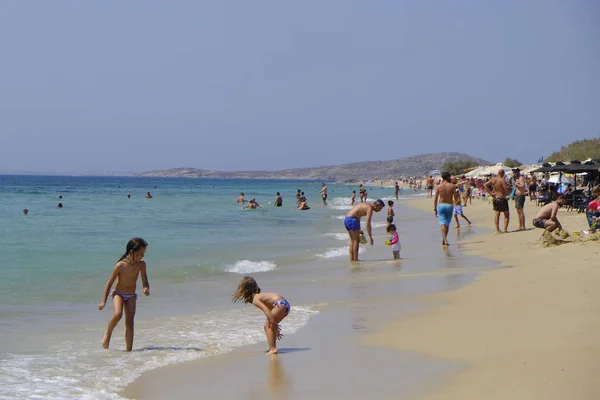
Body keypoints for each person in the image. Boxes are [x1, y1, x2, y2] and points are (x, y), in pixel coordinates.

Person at [99, 237, 150, 351]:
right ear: (132, 251)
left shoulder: (141, 265)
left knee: (130, 323)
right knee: (118, 314)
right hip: (119, 294)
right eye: (140, 253)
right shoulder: (120, 265)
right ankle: (108, 333)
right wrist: (104, 301)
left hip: (131, 295)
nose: (142, 256)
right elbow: (109, 283)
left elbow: (144, 280)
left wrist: (146, 288)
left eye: (143, 254)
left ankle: (128, 351)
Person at [232, 277, 289, 355]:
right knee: (270, 326)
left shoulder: (255, 298)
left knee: (267, 326)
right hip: (285, 304)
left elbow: (266, 310)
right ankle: (272, 347)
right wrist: (274, 324)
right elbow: (270, 308)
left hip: (279, 304)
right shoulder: (260, 296)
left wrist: (273, 322)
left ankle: (273, 348)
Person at [434, 172, 457, 246]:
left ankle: (445, 239)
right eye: (449, 177)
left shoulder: (438, 186)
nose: (450, 178)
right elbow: (456, 198)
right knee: (447, 224)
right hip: (449, 205)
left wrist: (435, 209)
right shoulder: (452, 186)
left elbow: (435, 199)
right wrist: (454, 204)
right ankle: (445, 239)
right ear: (447, 177)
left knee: (442, 224)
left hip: (441, 205)